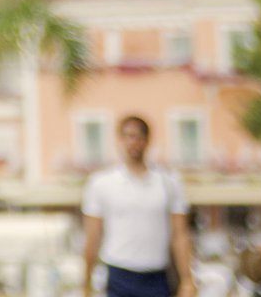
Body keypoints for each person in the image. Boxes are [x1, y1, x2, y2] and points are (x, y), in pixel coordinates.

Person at [80, 115, 194, 297]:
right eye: (128, 136)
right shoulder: (101, 183)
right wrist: (86, 282)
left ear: (147, 140)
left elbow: (180, 235)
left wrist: (187, 280)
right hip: (119, 275)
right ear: (120, 140)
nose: (133, 143)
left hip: (156, 277)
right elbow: (93, 236)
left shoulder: (169, 182)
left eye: (138, 136)